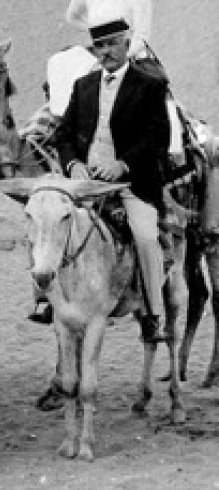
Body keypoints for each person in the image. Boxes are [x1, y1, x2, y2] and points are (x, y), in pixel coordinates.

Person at [53, 17, 170, 343]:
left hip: (130, 183)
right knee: (48, 220)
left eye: (111, 44)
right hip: (84, 180)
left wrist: (123, 165)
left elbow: (157, 137)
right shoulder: (83, 86)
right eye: (99, 46)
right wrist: (73, 164)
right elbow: (62, 136)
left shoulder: (148, 86)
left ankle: (153, 313)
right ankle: (47, 301)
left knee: (146, 236)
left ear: (125, 43)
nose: (106, 52)